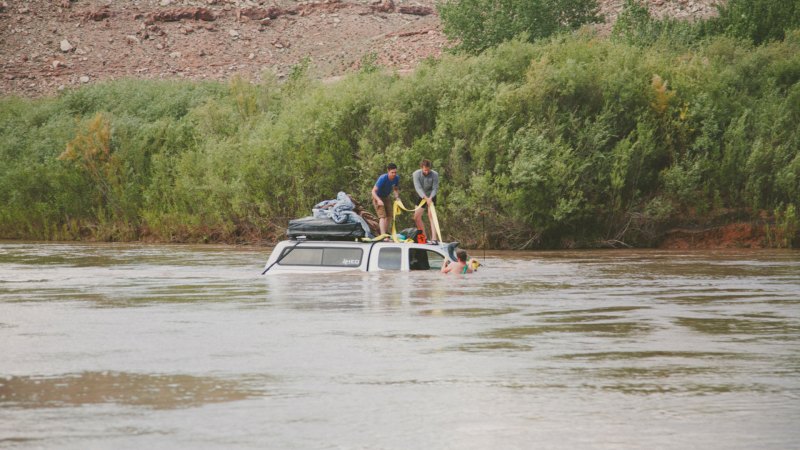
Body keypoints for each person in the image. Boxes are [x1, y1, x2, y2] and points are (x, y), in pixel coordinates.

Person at [412, 159, 440, 243]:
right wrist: (425, 198)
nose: (427, 172)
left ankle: (434, 238)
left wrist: (430, 198)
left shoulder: (435, 174)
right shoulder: (416, 174)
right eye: (425, 170)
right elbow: (418, 188)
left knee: (431, 216)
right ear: (421, 168)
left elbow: (435, 188)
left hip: (431, 195)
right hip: (422, 195)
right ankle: (424, 236)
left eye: (428, 170)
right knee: (416, 217)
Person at [371, 163, 400, 236]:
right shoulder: (383, 178)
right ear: (388, 171)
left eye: (395, 172)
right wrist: (378, 200)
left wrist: (397, 197)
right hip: (377, 197)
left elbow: (395, 189)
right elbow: (373, 191)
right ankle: (383, 235)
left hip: (386, 197)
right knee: (382, 216)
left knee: (390, 215)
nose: (394, 174)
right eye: (392, 172)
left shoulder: (396, 178)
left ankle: (384, 232)